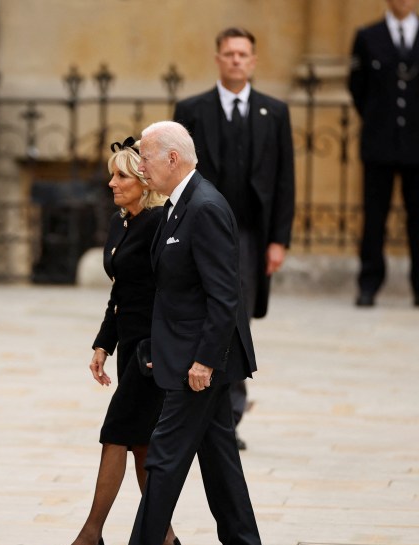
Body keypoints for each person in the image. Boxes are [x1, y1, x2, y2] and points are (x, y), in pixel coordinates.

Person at [82, 121, 267, 545]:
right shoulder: (179, 205)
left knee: (163, 456)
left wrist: (205, 360)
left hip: (199, 362)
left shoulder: (204, 206)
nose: (138, 164)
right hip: (186, 355)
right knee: (220, 461)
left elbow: (225, 295)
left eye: (144, 156)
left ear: (171, 158)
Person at [44, 138, 179, 545]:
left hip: (152, 354)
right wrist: (103, 343)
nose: (111, 182)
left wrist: (162, 348)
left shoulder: (160, 224)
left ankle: (90, 536)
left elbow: (171, 294)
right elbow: (120, 291)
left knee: (115, 433)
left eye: (121, 175)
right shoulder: (122, 222)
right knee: (139, 445)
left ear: (144, 182)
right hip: (129, 350)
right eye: (112, 173)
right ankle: (164, 539)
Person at [173, 27, 293, 452]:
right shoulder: (192, 110)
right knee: (203, 310)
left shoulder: (274, 113)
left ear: (253, 61)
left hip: (249, 236)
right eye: (229, 53)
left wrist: (278, 240)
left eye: (243, 54)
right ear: (218, 58)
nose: (236, 60)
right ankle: (197, 405)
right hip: (203, 231)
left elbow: (284, 181)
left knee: (234, 319)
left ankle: (229, 414)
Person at [350, 0, 419, 308]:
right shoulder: (368, 36)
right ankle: (369, 284)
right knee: (374, 216)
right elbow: (358, 87)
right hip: (379, 142)